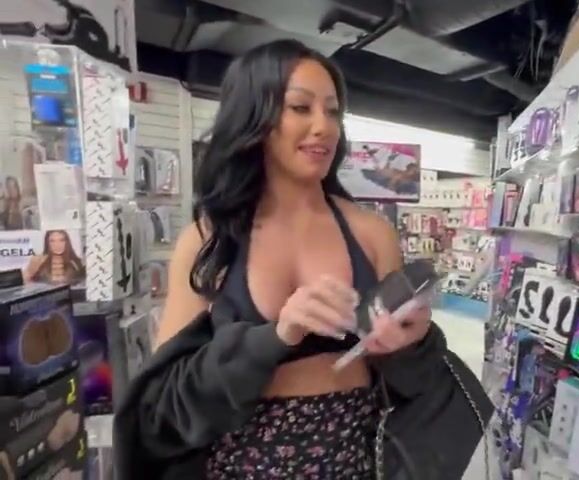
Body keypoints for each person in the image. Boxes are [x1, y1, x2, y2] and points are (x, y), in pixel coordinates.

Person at [113, 40, 490, 480]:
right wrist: (275, 336)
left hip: (353, 464)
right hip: (237, 468)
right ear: (254, 115)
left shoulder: (371, 233)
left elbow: (410, 381)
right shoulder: (207, 241)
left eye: (333, 111)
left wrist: (411, 341)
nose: (323, 127)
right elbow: (167, 404)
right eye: (300, 107)